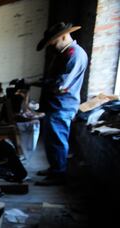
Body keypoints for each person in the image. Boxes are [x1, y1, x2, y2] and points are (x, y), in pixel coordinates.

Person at [35, 22, 88, 186]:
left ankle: (58, 175)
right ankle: (54, 168)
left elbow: (61, 85)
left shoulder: (74, 55)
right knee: (52, 140)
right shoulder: (65, 53)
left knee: (58, 140)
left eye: (53, 41)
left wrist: (39, 83)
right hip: (56, 104)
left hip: (63, 105)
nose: (51, 44)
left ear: (64, 36)